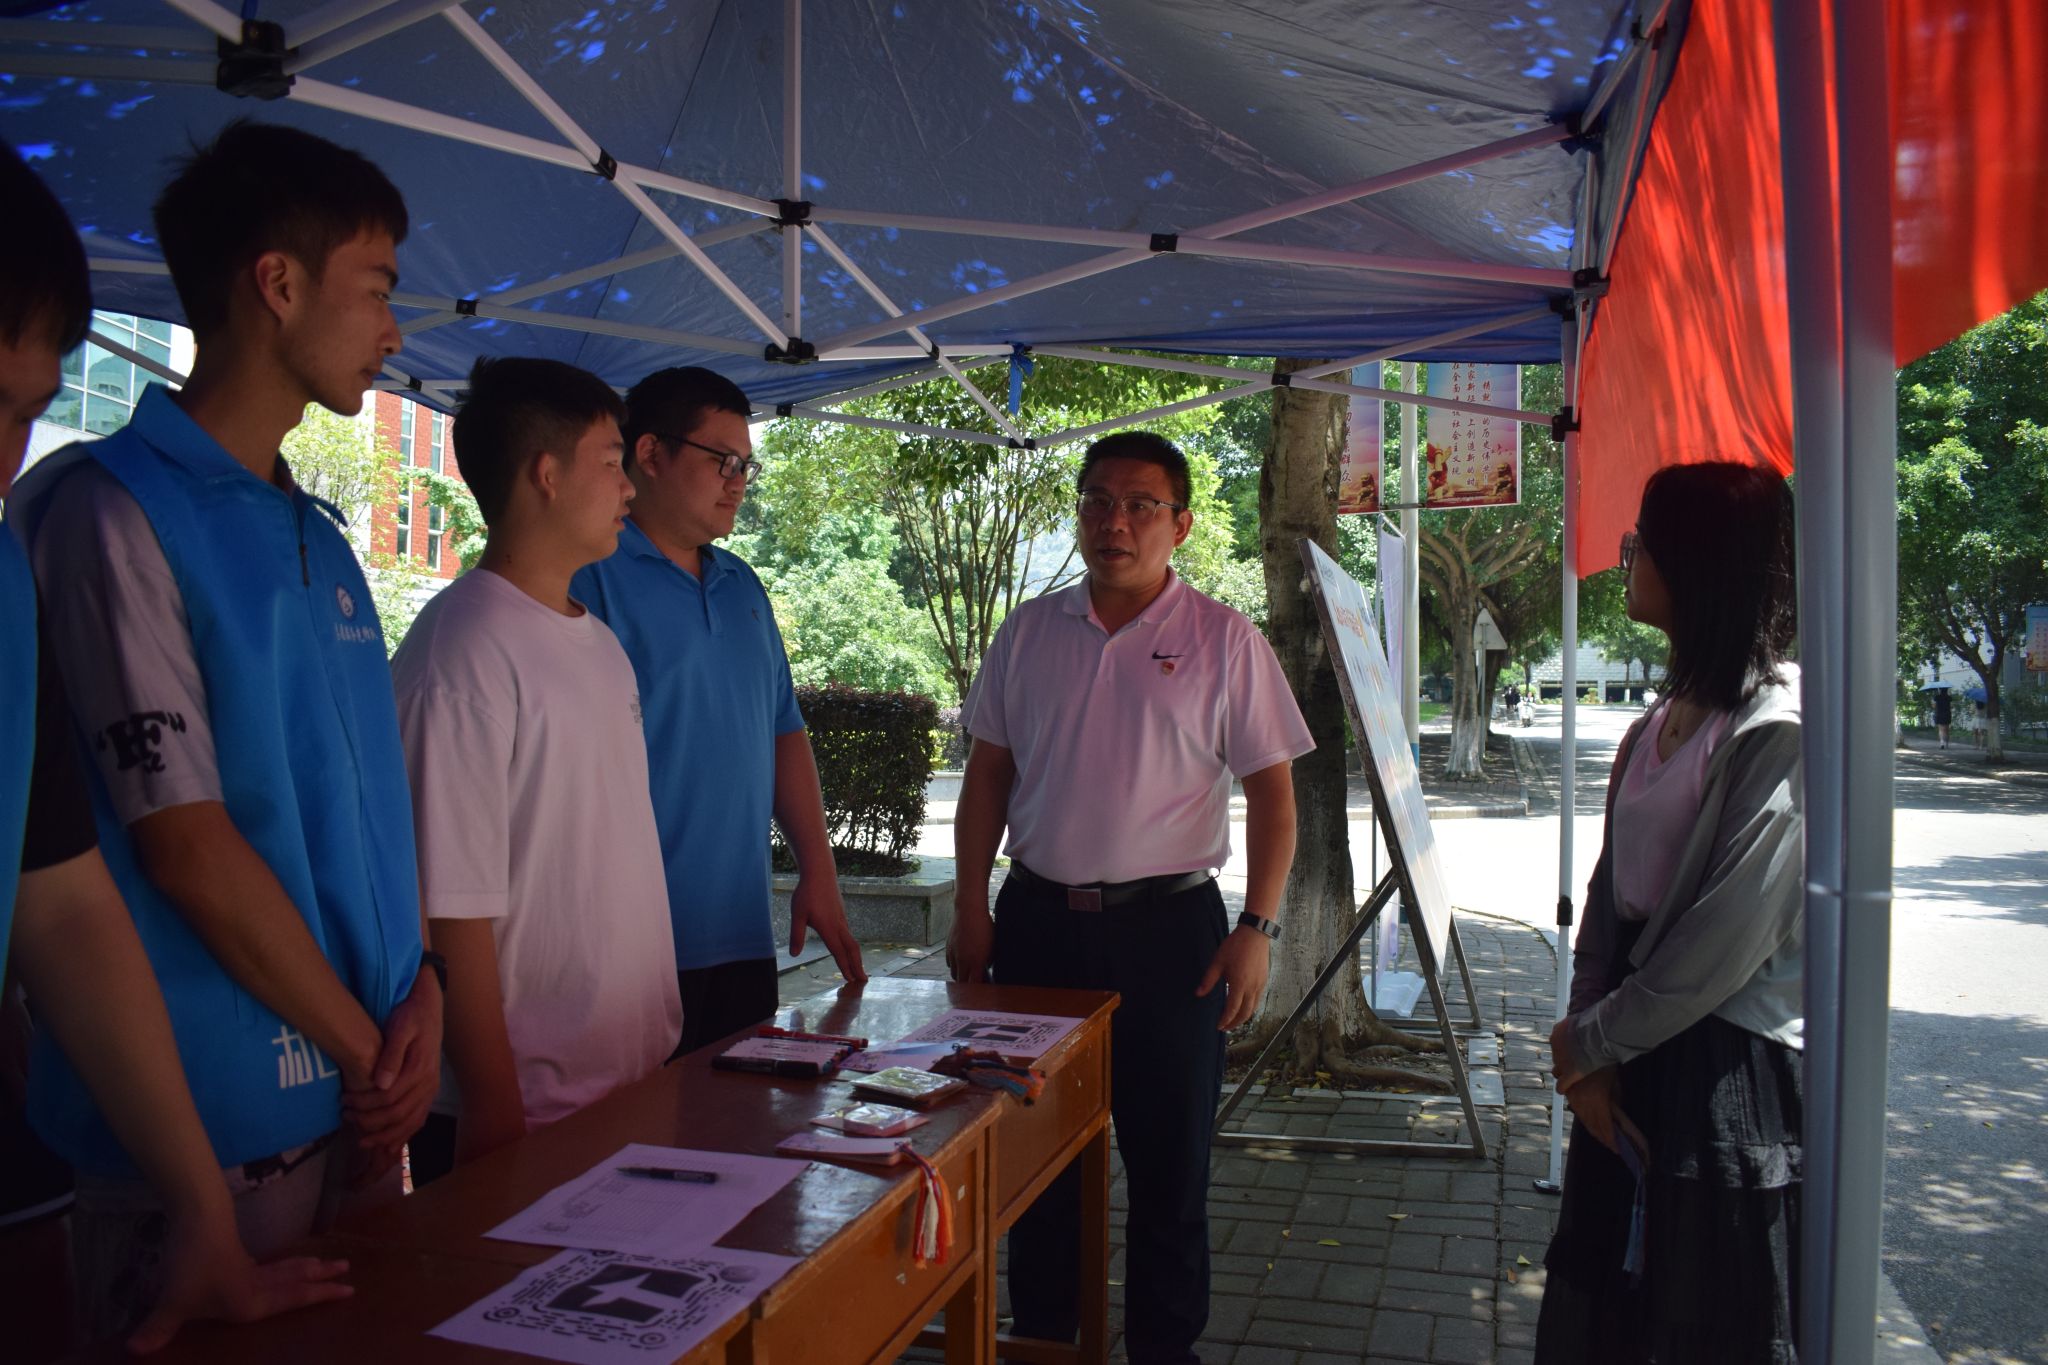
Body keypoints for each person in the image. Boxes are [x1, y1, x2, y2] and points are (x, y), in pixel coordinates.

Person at [7, 123, 441, 1340]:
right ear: (278, 283)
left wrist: (421, 1000)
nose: (393, 331)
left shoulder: (320, 537)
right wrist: (369, 1055)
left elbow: (362, 829)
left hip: (353, 1111)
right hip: (203, 1145)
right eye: (377, 289)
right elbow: (184, 845)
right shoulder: (110, 512)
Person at [947, 431, 1313, 1364]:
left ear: (1180, 524)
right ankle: (1042, 1338)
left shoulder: (1224, 639)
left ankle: (1163, 1348)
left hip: (1172, 934)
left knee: (1169, 1164)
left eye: (1141, 504)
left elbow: (1275, 794)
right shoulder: (1028, 632)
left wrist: (1258, 926)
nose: (1115, 521)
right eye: (1098, 501)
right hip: (1036, 924)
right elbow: (987, 777)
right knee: (1034, 1155)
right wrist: (971, 906)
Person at [1537, 461, 1803, 1364]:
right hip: (1625, 1050)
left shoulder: (1777, 726)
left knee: (1699, 1322)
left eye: (1641, 541)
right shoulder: (1658, 719)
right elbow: (1608, 898)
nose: (1629, 558)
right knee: (1610, 1314)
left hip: (1719, 1068)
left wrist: (1590, 1041)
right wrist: (1586, 1044)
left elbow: (1722, 942)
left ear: (1699, 561)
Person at [394, 358, 680, 1181]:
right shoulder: (463, 649)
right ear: (547, 475)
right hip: (523, 1111)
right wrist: (494, 1100)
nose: (628, 485)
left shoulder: (600, 641)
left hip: (627, 1083)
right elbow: (451, 904)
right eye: (611, 461)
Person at [571, 366, 865, 1056]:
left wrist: (818, 870)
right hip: (627, 943)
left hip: (741, 934)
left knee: (740, 1120)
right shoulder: (586, 578)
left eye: (746, 466)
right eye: (723, 461)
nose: (739, 482)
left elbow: (782, 731)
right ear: (650, 453)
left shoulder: (743, 587)